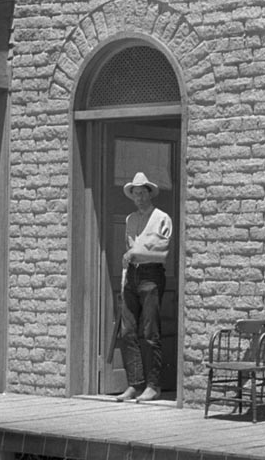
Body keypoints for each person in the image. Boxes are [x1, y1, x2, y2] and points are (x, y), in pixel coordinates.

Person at [116, 172, 173, 402]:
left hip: (151, 275)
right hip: (131, 275)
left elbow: (162, 252)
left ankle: (154, 385)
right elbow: (129, 252)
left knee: (150, 332)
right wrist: (124, 278)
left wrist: (135, 252)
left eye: (142, 192)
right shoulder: (130, 220)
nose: (139, 197)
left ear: (149, 193)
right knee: (128, 331)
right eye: (135, 193)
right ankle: (135, 384)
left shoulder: (161, 218)